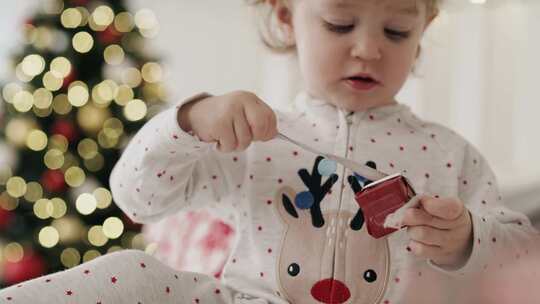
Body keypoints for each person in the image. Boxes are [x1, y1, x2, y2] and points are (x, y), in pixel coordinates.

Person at [1, 0, 538, 303]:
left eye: (397, 31)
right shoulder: (246, 133)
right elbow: (135, 198)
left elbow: (520, 259)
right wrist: (188, 122)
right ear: (285, 16)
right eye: (339, 23)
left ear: (424, 28)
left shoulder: (447, 153)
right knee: (135, 275)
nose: (369, 48)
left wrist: (467, 236)